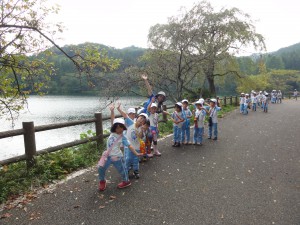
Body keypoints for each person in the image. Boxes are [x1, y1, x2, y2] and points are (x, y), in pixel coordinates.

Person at [97, 118, 142, 191]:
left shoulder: (123, 137)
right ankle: (102, 181)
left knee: (122, 170)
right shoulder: (112, 133)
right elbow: (112, 120)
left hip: (117, 157)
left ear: (123, 127)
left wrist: (136, 153)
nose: (119, 129)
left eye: (121, 127)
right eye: (117, 127)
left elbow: (129, 146)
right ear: (114, 128)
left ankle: (126, 181)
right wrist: (112, 111)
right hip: (107, 156)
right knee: (100, 168)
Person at [117, 103, 148, 179]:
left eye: (143, 120)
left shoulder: (142, 129)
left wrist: (142, 130)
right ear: (137, 118)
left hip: (136, 147)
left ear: (144, 123)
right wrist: (119, 109)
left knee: (135, 160)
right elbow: (125, 116)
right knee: (127, 159)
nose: (141, 120)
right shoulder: (131, 123)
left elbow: (141, 137)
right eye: (140, 118)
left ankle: (136, 171)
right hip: (128, 146)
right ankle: (126, 171)